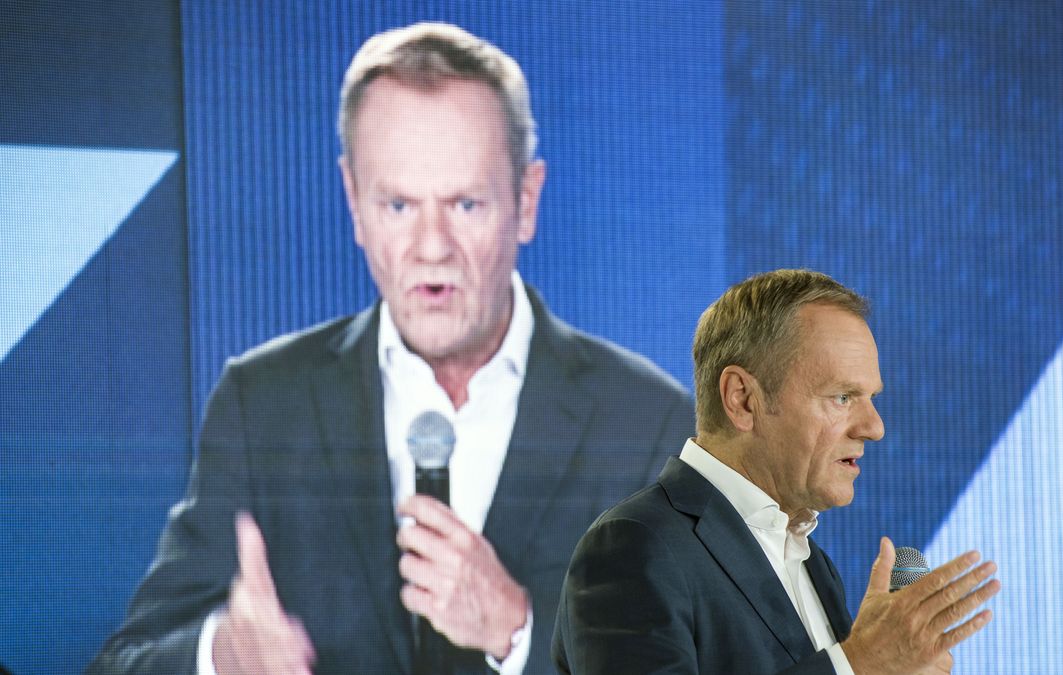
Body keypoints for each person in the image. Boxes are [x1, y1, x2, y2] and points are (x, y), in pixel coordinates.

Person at [89, 22, 693, 675]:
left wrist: (520, 628)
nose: (431, 247)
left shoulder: (647, 424)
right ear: (354, 202)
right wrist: (221, 654)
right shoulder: (262, 406)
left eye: (465, 204)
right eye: (399, 205)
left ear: (525, 201)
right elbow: (121, 664)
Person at [552, 269, 1000, 674]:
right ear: (743, 399)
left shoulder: (813, 564)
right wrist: (859, 663)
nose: (874, 427)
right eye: (842, 397)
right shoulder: (634, 545)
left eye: (871, 398)